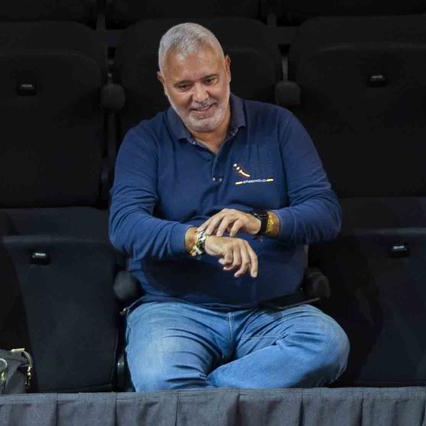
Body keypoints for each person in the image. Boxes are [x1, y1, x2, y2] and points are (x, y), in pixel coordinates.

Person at [109, 23, 351, 392]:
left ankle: (203, 396)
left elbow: (325, 213)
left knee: (328, 345)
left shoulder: (278, 126)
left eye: (210, 79)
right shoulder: (145, 141)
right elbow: (125, 226)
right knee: (160, 377)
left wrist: (261, 222)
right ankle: (220, 402)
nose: (201, 96)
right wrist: (199, 239)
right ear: (162, 83)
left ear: (228, 68)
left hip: (273, 309)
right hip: (174, 309)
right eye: (184, 86)